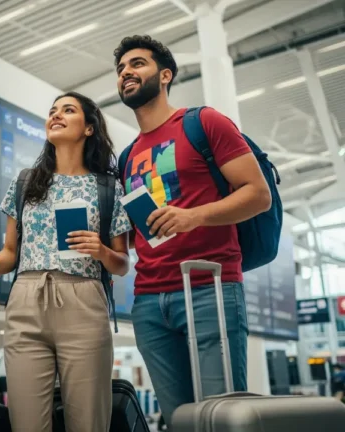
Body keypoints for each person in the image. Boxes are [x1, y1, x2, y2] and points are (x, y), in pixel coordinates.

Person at [112, 35, 272, 422]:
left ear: (165, 75)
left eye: (137, 64)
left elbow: (258, 195)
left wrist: (193, 216)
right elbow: (142, 231)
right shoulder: (127, 155)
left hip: (208, 285)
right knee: (180, 419)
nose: (126, 73)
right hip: (148, 301)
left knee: (220, 415)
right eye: (120, 69)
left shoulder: (203, 123)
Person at [0, 91, 132, 432]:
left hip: (84, 302)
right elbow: (11, 251)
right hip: (26, 300)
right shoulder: (26, 182)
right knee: (26, 424)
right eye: (53, 111)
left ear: (89, 128)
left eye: (68, 111)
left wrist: (100, 251)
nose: (56, 115)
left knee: (88, 422)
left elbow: (122, 263)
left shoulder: (109, 187)